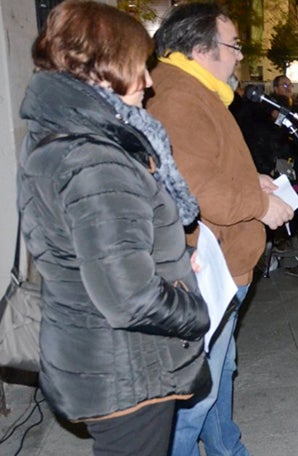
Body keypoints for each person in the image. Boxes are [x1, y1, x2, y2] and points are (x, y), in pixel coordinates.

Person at [18, 2, 209, 453]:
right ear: (102, 69)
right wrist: (195, 309)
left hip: (102, 358)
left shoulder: (60, 136)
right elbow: (130, 298)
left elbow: (98, 255)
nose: (148, 81)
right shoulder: (94, 159)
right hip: (124, 369)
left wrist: (172, 262)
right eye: (138, 67)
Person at [148, 4, 295, 455]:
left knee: (220, 371)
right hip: (205, 267)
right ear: (199, 49)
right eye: (232, 47)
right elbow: (195, 189)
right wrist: (259, 204)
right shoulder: (178, 96)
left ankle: (228, 449)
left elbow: (206, 165)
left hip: (225, 263)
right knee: (194, 394)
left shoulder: (198, 90)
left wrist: (252, 180)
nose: (238, 57)